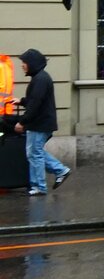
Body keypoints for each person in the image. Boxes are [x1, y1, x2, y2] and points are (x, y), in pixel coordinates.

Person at [10, 49, 70, 197]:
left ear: (32, 64)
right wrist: (21, 101)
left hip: (39, 124)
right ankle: (61, 170)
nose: (22, 65)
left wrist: (23, 122)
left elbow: (36, 104)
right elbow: (34, 101)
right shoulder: (40, 78)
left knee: (34, 154)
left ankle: (39, 187)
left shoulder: (40, 79)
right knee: (35, 152)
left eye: (24, 63)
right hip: (42, 123)